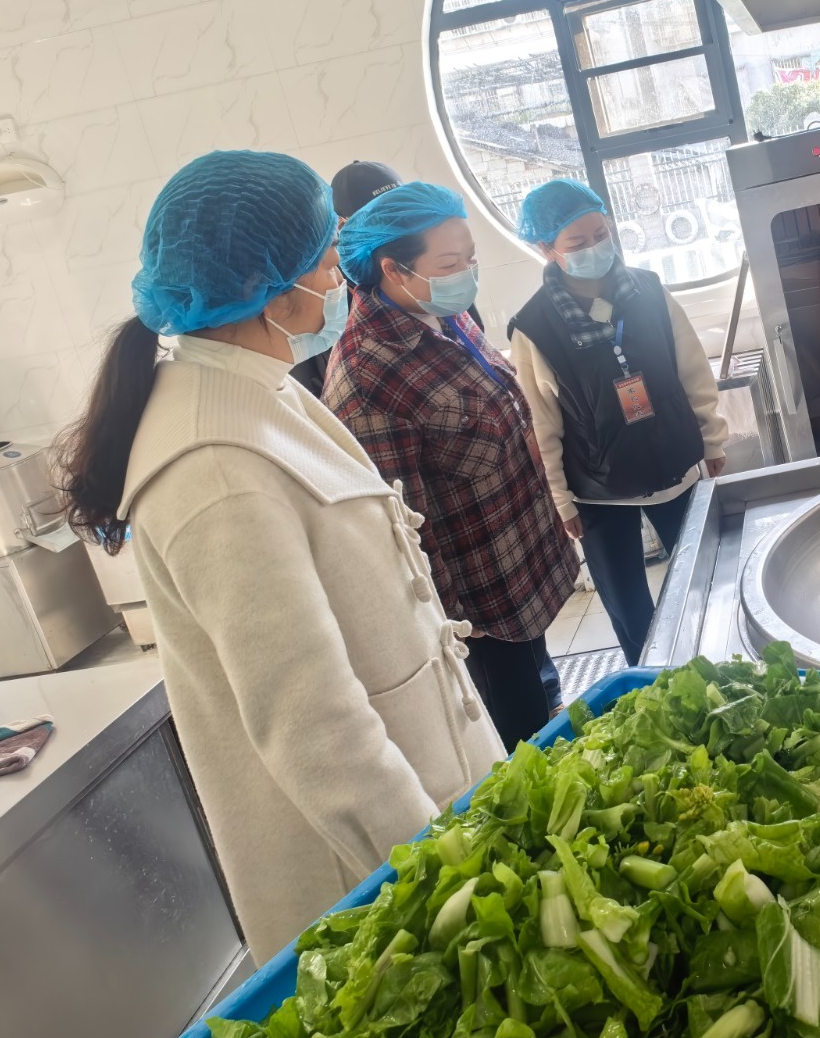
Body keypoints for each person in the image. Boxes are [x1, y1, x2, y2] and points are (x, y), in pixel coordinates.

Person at [55, 151, 500, 963]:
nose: (340, 285)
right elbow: (316, 730)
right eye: (328, 264)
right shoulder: (214, 467)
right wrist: (449, 882)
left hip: (432, 802)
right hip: (379, 878)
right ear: (268, 289)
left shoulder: (260, 387)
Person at [324, 182, 578, 746]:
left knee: (540, 690)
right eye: (449, 263)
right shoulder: (368, 378)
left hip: (516, 561)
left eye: (470, 258)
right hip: (477, 608)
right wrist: (452, 628)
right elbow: (402, 531)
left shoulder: (443, 312)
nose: (466, 274)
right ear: (393, 270)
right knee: (518, 735)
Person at [508, 179, 728, 667]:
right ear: (546, 249)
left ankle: (717, 667)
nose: (594, 248)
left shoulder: (649, 290)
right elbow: (541, 423)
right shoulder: (534, 327)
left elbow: (692, 370)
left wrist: (712, 439)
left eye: (601, 234)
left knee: (705, 580)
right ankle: (652, 685)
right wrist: (560, 498)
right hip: (597, 490)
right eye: (577, 242)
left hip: (673, 464)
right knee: (630, 608)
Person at [290, 160, 487, 396]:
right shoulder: (331, 305)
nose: (401, 230)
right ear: (342, 227)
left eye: (405, 212)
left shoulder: (436, 280)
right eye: (383, 219)